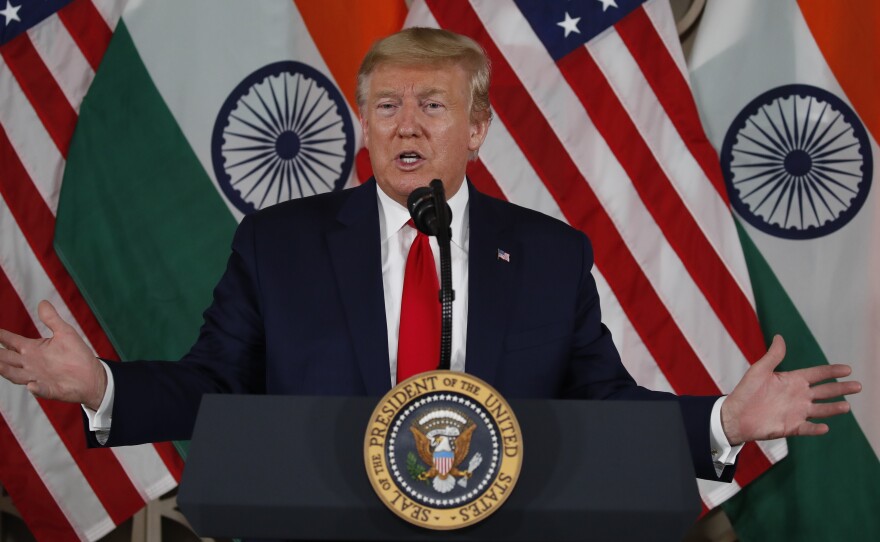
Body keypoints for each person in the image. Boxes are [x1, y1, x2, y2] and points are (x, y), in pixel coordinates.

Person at [0, 28, 860, 482]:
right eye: (386, 105)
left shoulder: (551, 255)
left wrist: (723, 423)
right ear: (364, 121)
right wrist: (104, 386)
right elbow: (214, 384)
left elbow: (601, 405)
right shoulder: (279, 245)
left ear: (478, 130)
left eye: (433, 106)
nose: (406, 123)